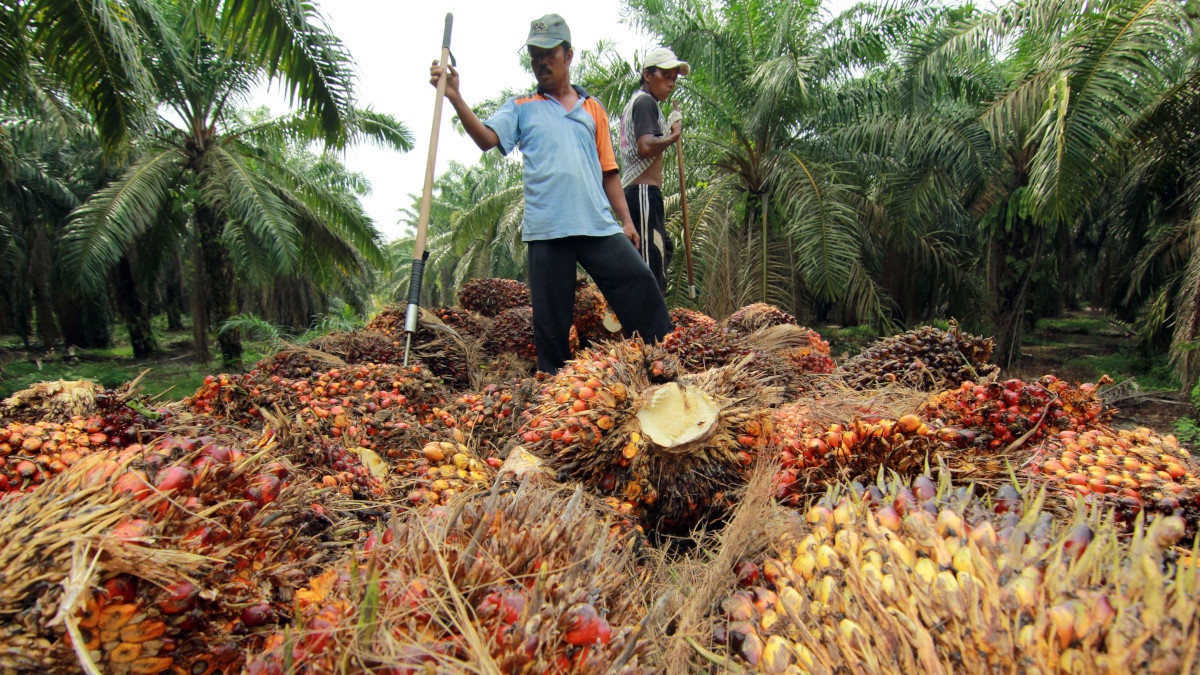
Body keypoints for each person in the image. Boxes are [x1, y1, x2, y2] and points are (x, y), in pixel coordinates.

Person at [430, 13, 672, 374]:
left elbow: (609, 171)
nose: (541, 61)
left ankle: (666, 363)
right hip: (547, 232)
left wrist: (625, 220)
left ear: (568, 55)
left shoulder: (593, 108)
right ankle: (555, 400)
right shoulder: (521, 107)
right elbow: (486, 139)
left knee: (640, 284)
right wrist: (454, 97)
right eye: (534, 54)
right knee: (551, 326)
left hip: (597, 226)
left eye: (548, 53)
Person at [619, 47, 689, 296]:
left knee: (662, 249)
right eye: (666, 76)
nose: (671, 84)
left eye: (674, 79)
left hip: (644, 195)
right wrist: (674, 135)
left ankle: (642, 322)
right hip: (642, 194)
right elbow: (646, 146)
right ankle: (647, 331)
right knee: (651, 264)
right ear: (648, 75)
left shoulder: (643, 104)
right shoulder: (645, 102)